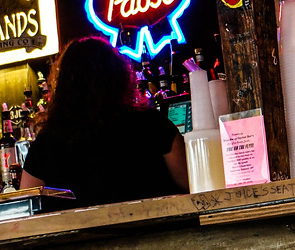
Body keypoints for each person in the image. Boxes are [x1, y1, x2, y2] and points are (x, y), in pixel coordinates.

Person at [19, 37, 186, 205]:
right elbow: (193, 183)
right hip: (159, 229)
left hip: (79, 231)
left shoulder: (48, 142)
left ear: (62, 84)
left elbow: (25, 208)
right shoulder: (152, 124)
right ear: (120, 76)